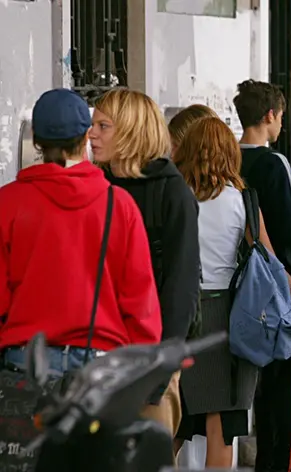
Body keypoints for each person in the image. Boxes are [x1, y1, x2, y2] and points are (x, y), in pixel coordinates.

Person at [0, 88, 161, 374]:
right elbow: (139, 299)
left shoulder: (7, 203)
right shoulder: (119, 204)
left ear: (36, 140)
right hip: (101, 364)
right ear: (86, 136)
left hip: (25, 361)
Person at [90, 88, 201, 436]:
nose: (92, 134)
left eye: (103, 126)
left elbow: (181, 287)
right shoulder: (95, 187)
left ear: (131, 130)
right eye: (93, 125)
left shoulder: (172, 192)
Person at [172, 117, 270, 467]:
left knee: (175, 418)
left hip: (180, 311)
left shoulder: (175, 197)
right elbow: (267, 261)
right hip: (228, 315)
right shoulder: (242, 202)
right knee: (221, 424)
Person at [233, 79, 291, 472]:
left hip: (246, 289)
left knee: (262, 395)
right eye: (281, 117)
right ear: (270, 116)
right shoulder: (273, 162)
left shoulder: (229, 159)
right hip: (287, 290)